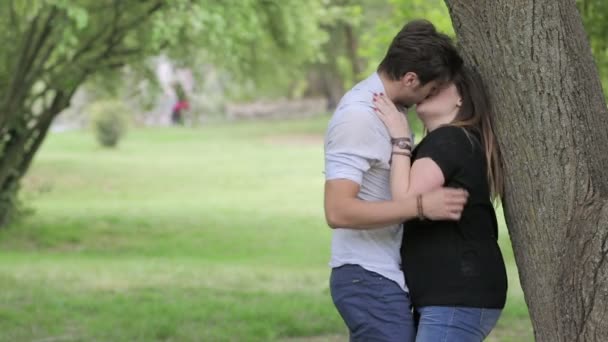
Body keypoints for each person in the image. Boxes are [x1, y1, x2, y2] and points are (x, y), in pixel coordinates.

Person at [323, 20, 466, 341]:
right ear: (410, 78)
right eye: (429, 91)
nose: (424, 101)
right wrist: (419, 205)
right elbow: (338, 212)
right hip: (367, 277)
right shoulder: (359, 117)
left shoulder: (387, 112)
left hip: (385, 275)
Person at [372, 65, 508, 341]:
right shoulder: (450, 141)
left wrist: (400, 137)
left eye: (440, 83)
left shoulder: (451, 139)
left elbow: (405, 200)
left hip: (457, 295)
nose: (428, 86)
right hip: (452, 294)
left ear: (462, 97)